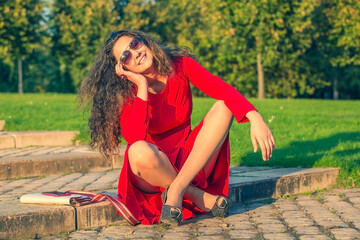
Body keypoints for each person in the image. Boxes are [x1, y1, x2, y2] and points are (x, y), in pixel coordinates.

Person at [78, 29, 275, 226]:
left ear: (145, 42)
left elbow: (220, 88)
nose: (135, 53)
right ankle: (194, 194)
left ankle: (177, 190)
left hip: (192, 160)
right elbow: (135, 137)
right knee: (137, 150)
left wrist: (254, 116)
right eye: (126, 56)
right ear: (122, 68)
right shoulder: (128, 92)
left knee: (224, 107)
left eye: (135, 44)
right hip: (153, 170)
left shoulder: (181, 65)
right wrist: (142, 86)